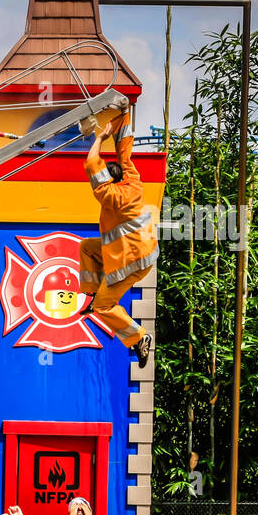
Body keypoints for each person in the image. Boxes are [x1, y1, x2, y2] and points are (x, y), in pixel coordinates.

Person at [80, 112, 157, 368]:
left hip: (130, 261)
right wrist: (121, 116)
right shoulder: (132, 180)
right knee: (88, 247)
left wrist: (99, 139)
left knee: (105, 308)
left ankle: (139, 336)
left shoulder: (112, 197)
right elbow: (125, 152)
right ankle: (93, 293)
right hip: (137, 252)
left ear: (109, 181)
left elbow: (92, 165)